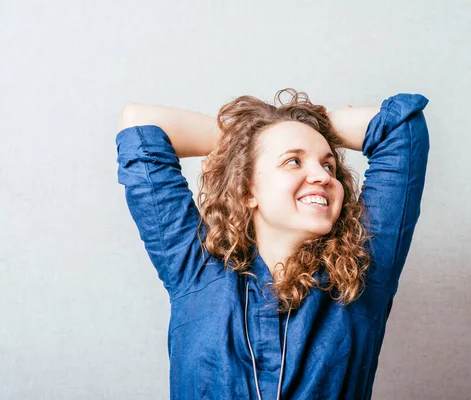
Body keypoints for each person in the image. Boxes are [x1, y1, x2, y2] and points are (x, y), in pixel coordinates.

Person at [116, 88, 430, 399]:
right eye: (294, 161)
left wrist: (306, 126)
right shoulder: (193, 266)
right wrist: (247, 139)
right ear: (246, 189)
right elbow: (140, 123)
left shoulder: (364, 267)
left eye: (328, 165)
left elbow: (403, 129)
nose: (321, 176)